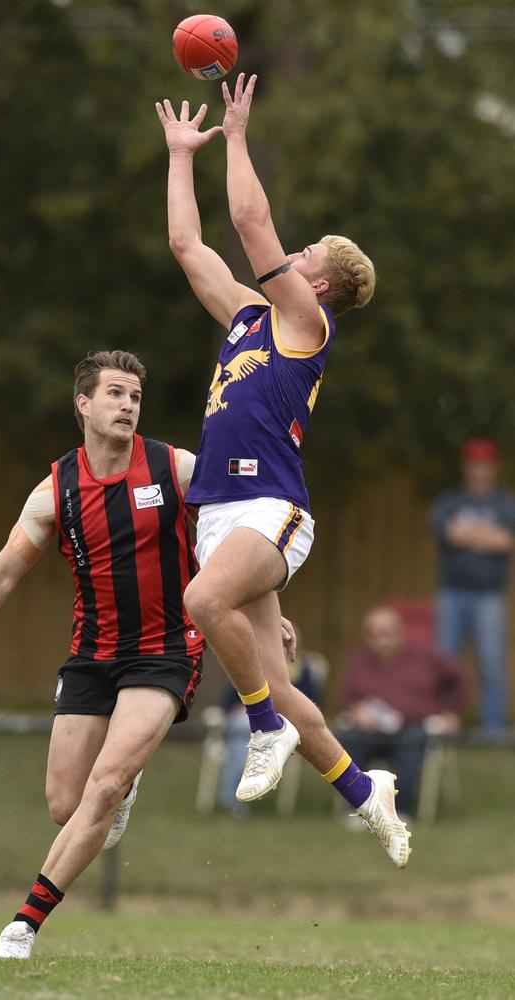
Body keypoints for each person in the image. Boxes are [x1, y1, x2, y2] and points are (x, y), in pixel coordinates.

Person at [156, 76, 411, 868]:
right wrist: (177, 157)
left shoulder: (307, 320)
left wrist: (235, 135)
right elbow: (188, 247)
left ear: (321, 282)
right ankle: (370, 797)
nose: (290, 255)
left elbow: (248, 218)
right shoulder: (247, 318)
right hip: (221, 514)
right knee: (285, 684)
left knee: (205, 602)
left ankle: (261, 727)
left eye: (305, 256)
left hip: (272, 508)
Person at [0, 350, 209, 960]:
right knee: (65, 807)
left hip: (166, 651)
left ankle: (22, 925)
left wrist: (267, 610)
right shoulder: (55, 491)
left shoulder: (173, 468)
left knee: (102, 787)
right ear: (84, 404)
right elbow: (0, 575)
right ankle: (122, 784)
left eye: (135, 397)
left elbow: (233, 532)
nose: (128, 405)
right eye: (116, 394)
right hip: (91, 655)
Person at [337, 606, 467, 818]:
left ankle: (400, 810)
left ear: (400, 633)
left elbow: (459, 679)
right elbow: (347, 699)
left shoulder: (426, 657)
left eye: (387, 634)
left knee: (414, 742)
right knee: (349, 738)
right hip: (371, 732)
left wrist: (451, 713)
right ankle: (358, 808)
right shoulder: (358, 662)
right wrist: (356, 711)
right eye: (374, 635)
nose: (381, 641)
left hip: (413, 728)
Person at [430, 438, 515, 734]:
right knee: (444, 664)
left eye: (485, 465)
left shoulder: (505, 503)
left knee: (492, 665)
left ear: (493, 468)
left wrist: (466, 534)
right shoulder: (450, 501)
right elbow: (446, 533)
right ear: (466, 468)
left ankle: (492, 732)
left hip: (490, 597)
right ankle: (441, 726)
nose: (479, 470)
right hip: (451, 594)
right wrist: (488, 536)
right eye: (474, 464)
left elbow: (507, 542)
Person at [218, 623, 328, 816]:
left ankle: (234, 801)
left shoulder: (304, 673)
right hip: (247, 726)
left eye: (287, 643)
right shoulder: (250, 669)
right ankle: (236, 801)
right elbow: (228, 703)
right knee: (242, 736)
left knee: (241, 740)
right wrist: (240, 709)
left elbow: (313, 706)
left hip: (284, 728)